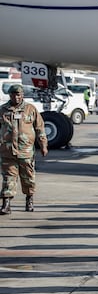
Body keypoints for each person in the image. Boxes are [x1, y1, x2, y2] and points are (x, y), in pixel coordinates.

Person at [0, 84, 48, 215]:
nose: (16, 97)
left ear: (22, 95)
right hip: (7, 151)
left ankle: (29, 200)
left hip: (25, 151)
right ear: (10, 96)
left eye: (19, 94)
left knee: (28, 178)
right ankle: (6, 204)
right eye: (14, 95)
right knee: (8, 178)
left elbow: (40, 128)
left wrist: (43, 145)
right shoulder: (3, 110)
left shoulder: (30, 109)